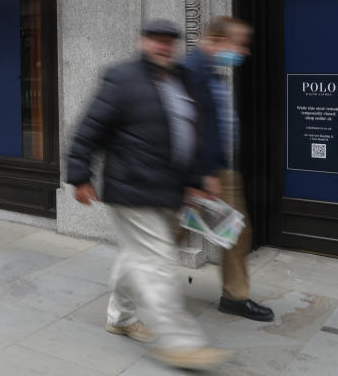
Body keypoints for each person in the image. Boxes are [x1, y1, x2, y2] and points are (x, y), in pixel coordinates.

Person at [67, 19, 229, 371]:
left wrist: (198, 177)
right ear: (142, 42)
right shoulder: (121, 78)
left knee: (135, 255)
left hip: (167, 189)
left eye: (168, 42)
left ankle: (120, 317)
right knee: (157, 262)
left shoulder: (180, 80)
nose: (162, 47)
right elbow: (88, 129)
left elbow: (190, 133)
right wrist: (79, 175)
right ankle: (180, 343)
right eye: (155, 41)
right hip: (131, 187)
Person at [184, 16, 274, 322]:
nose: (244, 52)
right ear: (220, 41)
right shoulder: (193, 69)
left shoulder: (210, 71)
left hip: (219, 169)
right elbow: (189, 126)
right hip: (197, 172)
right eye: (241, 44)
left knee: (237, 231)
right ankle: (133, 294)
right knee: (166, 234)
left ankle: (235, 297)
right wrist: (199, 176)